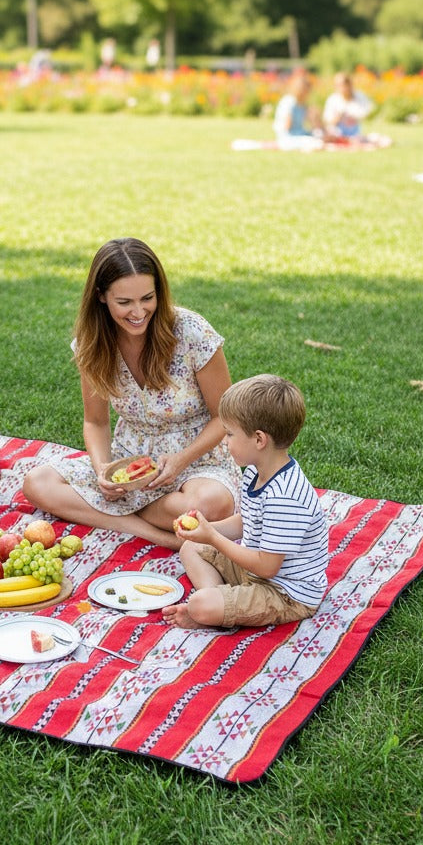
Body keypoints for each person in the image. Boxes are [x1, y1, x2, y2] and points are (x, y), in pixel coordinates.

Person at [22, 238, 241, 550]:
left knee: (209, 503)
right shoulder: (93, 344)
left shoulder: (192, 331)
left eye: (147, 298)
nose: (139, 312)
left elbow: (225, 417)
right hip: (129, 463)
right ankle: (153, 532)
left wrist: (179, 461)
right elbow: (95, 422)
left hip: (198, 460)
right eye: (124, 302)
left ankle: (119, 513)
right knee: (37, 483)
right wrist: (103, 473)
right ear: (101, 297)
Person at [161, 374, 328, 630]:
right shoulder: (256, 469)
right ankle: (223, 604)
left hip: (284, 592)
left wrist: (213, 539)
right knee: (190, 548)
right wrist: (207, 529)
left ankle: (215, 609)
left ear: (259, 440)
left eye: (229, 434)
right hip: (252, 573)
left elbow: (268, 566)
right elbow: (246, 520)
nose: (225, 441)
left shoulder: (285, 497)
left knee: (200, 605)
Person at [273, 69, 323, 150]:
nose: (307, 94)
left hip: (299, 133)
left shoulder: (302, 104)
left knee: (320, 137)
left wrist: (315, 116)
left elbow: (315, 125)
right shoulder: (289, 102)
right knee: (316, 142)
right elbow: (286, 127)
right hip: (288, 137)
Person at [322, 72, 373, 138]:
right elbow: (328, 120)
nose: (340, 88)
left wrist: (354, 117)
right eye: (337, 85)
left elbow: (367, 114)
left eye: (342, 85)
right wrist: (337, 118)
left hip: (357, 132)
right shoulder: (332, 99)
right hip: (338, 132)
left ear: (349, 84)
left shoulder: (360, 96)